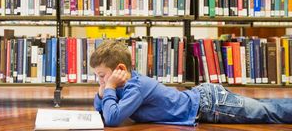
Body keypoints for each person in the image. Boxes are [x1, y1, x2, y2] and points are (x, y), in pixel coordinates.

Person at [91, 39, 292, 127]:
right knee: (267, 106)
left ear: (120, 69)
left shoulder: (136, 86)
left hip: (211, 104)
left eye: (102, 75)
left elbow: (113, 119)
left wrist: (107, 88)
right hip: (205, 100)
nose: (100, 81)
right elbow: (102, 113)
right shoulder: (120, 85)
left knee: (268, 113)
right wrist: (102, 93)